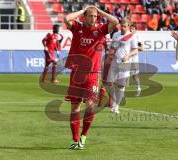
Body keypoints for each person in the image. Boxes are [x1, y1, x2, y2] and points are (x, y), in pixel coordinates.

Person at [64, 5, 119, 149]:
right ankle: (75, 140)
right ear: (85, 16)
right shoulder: (77, 27)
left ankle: (83, 136)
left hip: (93, 74)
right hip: (76, 74)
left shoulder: (101, 30)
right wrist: (83, 10)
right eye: (90, 15)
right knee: (75, 107)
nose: (93, 18)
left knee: (90, 106)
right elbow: (66, 18)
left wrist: (99, 11)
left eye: (95, 16)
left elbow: (115, 21)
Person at [106, 18, 138, 114]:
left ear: (128, 26)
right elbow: (112, 47)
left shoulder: (132, 36)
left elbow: (135, 50)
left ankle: (116, 106)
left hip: (125, 63)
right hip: (115, 61)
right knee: (109, 83)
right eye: (122, 26)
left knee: (121, 86)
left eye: (125, 26)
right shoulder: (116, 35)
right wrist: (109, 55)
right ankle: (115, 100)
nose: (123, 28)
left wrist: (128, 55)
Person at [130, 23, 143, 96]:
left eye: (133, 29)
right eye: (130, 28)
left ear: (135, 30)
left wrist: (135, 47)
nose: (131, 30)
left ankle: (138, 88)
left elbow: (142, 48)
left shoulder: (137, 37)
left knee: (134, 75)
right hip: (127, 58)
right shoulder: (126, 36)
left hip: (134, 58)